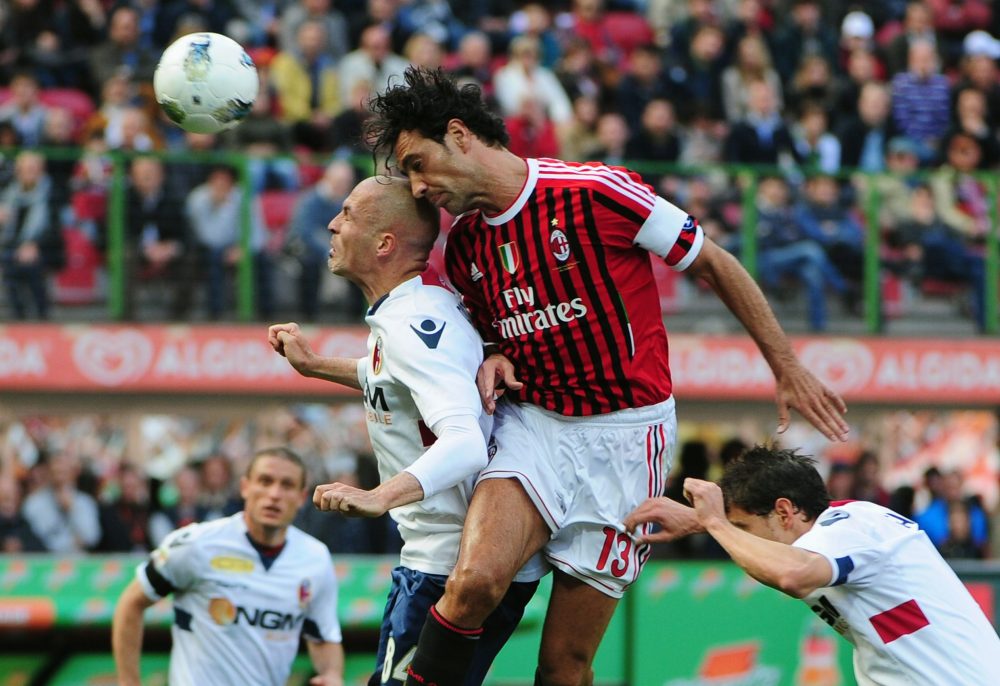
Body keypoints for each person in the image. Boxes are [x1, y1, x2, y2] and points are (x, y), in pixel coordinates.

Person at [365, 67, 849, 686]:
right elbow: (488, 333)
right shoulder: (462, 250)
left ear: (459, 134)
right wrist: (494, 351)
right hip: (535, 425)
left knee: (565, 664)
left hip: (628, 439)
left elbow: (714, 263)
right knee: (473, 583)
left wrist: (785, 364)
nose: (417, 185)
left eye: (418, 162)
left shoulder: (595, 192)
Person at [268, 176, 544, 686]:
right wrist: (314, 366)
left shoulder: (413, 327)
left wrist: (379, 496)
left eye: (347, 213)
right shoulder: (406, 317)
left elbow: (463, 442)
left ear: (385, 244)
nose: (332, 223)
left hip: (449, 567)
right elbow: (389, 378)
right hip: (439, 559)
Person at [625, 445, 1000, 685]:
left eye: (744, 529)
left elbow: (793, 574)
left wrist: (715, 524)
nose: (740, 543)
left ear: (785, 511)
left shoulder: (849, 527)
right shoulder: (843, 531)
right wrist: (700, 519)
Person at [111, 447, 344, 686]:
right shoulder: (197, 544)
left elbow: (324, 636)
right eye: (265, 481)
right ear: (245, 487)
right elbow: (132, 602)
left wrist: (332, 674)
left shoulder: (315, 558)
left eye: (287, 485)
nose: (274, 494)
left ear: (301, 497)